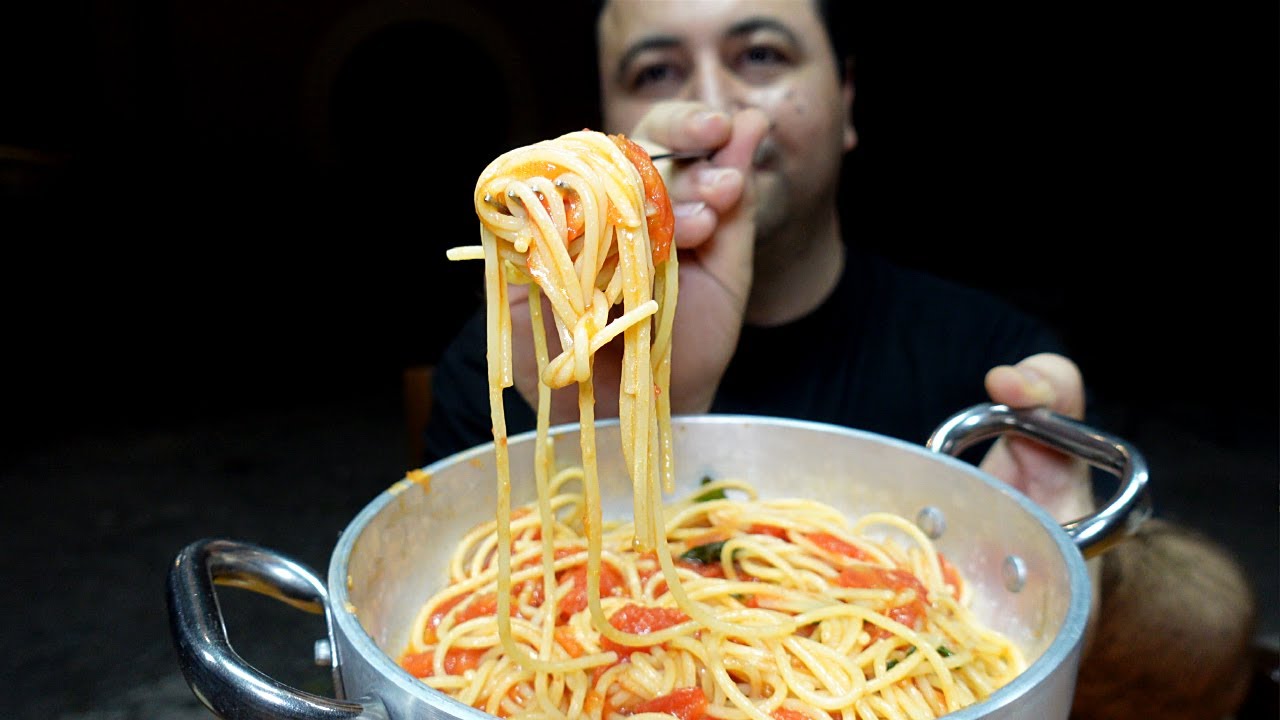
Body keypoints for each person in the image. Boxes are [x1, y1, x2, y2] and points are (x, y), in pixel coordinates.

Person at [424, 1, 1257, 717]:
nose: (712, 104)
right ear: (607, 117)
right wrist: (610, 424)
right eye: (655, 72)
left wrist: (1072, 574)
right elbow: (461, 644)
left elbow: (1208, 638)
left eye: (759, 55)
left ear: (846, 97)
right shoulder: (511, 359)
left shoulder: (988, 360)